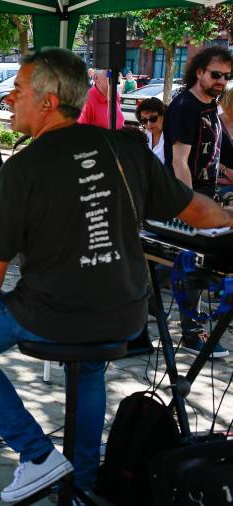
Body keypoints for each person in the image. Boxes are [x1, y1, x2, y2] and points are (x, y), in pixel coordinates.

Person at [0, 48, 233, 504]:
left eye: (18, 89)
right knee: (89, 365)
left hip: (52, 314)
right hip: (126, 316)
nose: (10, 98)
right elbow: (198, 210)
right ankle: (82, 484)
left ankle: (36, 455)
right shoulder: (123, 147)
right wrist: (231, 220)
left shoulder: (21, 168)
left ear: (48, 101)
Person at [162, 45, 233, 357]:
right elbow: (179, 162)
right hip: (187, 197)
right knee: (190, 265)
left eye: (227, 77)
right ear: (199, 71)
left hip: (207, 195)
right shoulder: (184, 107)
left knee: (201, 266)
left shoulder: (211, 106)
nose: (221, 81)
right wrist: (190, 206)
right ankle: (191, 334)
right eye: (216, 75)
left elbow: (223, 151)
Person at [135, 97, 166, 164]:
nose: (149, 124)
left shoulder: (172, 137)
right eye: (144, 120)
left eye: (153, 118)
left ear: (163, 115)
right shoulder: (144, 136)